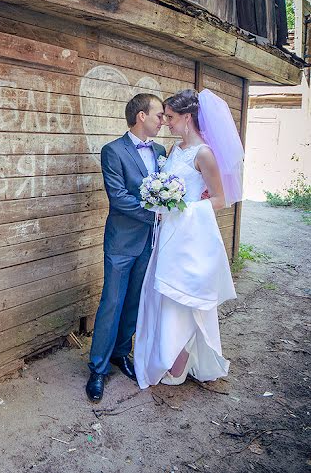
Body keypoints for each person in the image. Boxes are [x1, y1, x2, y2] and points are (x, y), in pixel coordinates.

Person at [133, 89, 242, 388]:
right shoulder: (174, 149)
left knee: (181, 298)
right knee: (163, 295)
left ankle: (179, 365)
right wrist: (160, 203)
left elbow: (220, 198)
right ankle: (168, 357)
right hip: (167, 232)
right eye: (164, 117)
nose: (166, 122)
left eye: (170, 117)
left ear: (187, 117)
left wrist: (183, 209)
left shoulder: (203, 153)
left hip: (190, 234)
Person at [86, 93, 167, 402]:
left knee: (135, 300)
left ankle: (121, 353)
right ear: (141, 117)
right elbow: (118, 197)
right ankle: (98, 368)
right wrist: (155, 213)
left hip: (151, 240)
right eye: (159, 114)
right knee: (112, 301)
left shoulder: (160, 151)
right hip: (121, 241)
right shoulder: (113, 151)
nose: (162, 120)